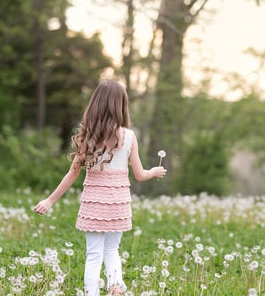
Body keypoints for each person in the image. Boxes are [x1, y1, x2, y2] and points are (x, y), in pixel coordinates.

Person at [34, 80, 167, 296]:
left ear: (95, 104)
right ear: (121, 106)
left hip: (94, 205)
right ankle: (115, 287)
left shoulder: (89, 137)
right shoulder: (129, 136)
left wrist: (50, 200)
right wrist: (154, 172)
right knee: (112, 249)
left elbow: (73, 173)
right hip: (118, 204)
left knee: (94, 255)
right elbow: (140, 175)